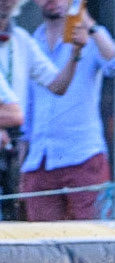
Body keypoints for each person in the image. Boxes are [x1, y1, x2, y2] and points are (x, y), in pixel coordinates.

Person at [19, 0, 115, 222]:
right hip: (41, 161)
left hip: (83, 157)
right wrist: (22, 162)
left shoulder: (91, 35)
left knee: (93, 241)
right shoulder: (31, 42)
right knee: (43, 246)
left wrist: (89, 24)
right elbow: (28, 108)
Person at [0, 0, 77, 220]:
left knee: (14, 225)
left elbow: (57, 84)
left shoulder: (22, 41)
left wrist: (76, 54)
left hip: (12, 151)